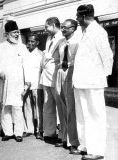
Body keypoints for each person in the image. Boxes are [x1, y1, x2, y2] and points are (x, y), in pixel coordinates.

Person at [73, 4, 113, 160]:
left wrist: (102, 76)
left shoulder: (98, 32)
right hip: (81, 81)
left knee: (95, 116)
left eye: (77, 17)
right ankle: (85, 146)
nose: (76, 19)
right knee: (83, 115)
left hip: (93, 81)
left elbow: (107, 56)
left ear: (83, 16)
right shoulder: (83, 32)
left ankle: (96, 151)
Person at [0, 20, 27, 142]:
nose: (17, 35)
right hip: (5, 82)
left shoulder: (22, 47)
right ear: (7, 34)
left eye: (18, 32)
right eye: (14, 32)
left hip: (18, 83)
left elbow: (26, 65)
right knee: (5, 107)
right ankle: (8, 132)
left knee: (17, 107)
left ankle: (18, 133)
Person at [55, 19, 80, 153]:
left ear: (73, 28)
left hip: (72, 72)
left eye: (65, 27)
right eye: (62, 27)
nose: (63, 29)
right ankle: (64, 137)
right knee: (62, 107)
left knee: (71, 109)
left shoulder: (78, 41)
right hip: (61, 72)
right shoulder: (61, 42)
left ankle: (73, 142)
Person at [39, 17, 65, 143]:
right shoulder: (49, 38)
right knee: (48, 105)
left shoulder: (62, 38)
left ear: (54, 25)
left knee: (60, 106)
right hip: (46, 77)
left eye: (46, 27)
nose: (45, 30)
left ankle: (62, 135)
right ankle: (49, 132)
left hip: (56, 77)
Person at [22, 33, 44, 139]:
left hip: (37, 85)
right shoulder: (24, 54)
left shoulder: (41, 54)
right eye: (29, 41)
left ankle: (39, 130)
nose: (30, 43)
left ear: (37, 43)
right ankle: (29, 129)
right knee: (27, 107)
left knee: (38, 108)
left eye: (32, 41)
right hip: (25, 85)